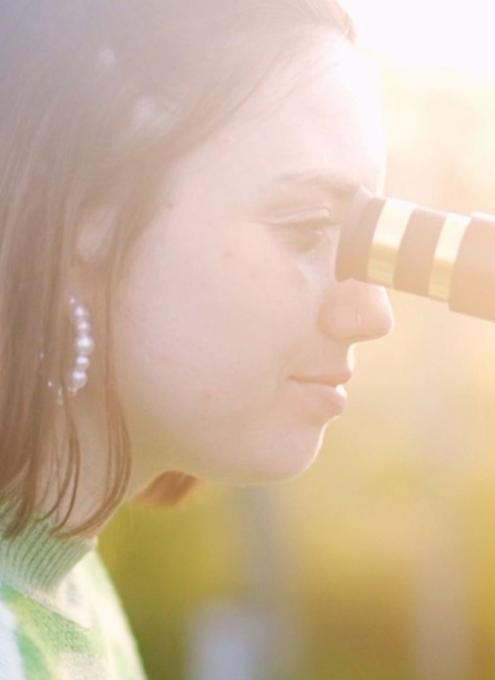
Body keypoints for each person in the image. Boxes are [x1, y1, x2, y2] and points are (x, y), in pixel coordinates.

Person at [0, 1, 393, 677]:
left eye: (361, 236)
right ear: (81, 220)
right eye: (305, 226)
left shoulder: (67, 590)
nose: (373, 312)